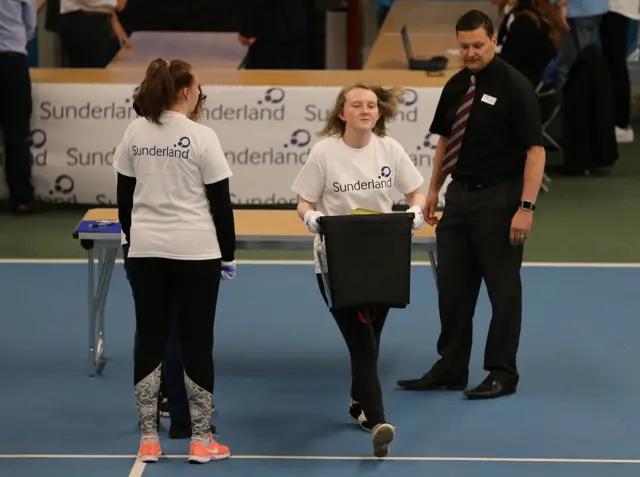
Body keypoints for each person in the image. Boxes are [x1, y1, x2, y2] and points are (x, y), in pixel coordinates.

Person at [396, 10, 545, 399]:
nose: (470, 52)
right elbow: (445, 141)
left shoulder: (516, 86)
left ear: (494, 41)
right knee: (453, 289)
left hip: (500, 199)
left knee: (502, 290)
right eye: (464, 46)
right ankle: (451, 367)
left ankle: (501, 372)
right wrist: (433, 190)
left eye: (478, 45)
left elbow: (535, 152)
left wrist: (525, 208)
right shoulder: (456, 84)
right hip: (458, 198)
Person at [290, 83, 427, 457]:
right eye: (357, 105)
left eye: (371, 105)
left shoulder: (390, 149)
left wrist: (416, 212)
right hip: (336, 263)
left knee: (371, 341)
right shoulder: (324, 153)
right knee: (363, 343)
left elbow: (416, 192)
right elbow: (303, 201)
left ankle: (358, 403)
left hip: (382, 259)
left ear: (378, 114)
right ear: (342, 113)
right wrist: (311, 216)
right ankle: (379, 420)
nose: (365, 110)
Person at [112, 58, 236, 464]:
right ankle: (201, 441)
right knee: (198, 340)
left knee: (149, 337)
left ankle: (149, 439)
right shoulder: (202, 136)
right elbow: (220, 204)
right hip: (196, 252)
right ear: (185, 91)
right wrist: (228, 254)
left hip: (146, 253)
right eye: (198, 86)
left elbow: (124, 202)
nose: (200, 92)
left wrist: (134, 244)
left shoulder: (135, 131)